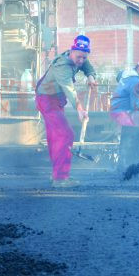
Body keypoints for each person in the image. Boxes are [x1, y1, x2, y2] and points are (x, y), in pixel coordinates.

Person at [35, 35, 97, 187]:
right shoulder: (62, 66)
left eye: (84, 57)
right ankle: (61, 179)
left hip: (54, 98)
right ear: (72, 51)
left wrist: (90, 76)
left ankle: (56, 174)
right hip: (47, 99)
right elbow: (70, 90)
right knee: (65, 134)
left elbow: (86, 65)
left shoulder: (77, 56)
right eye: (79, 57)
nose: (81, 60)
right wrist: (80, 109)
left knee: (55, 137)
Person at [110, 60, 139, 127]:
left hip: (114, 107)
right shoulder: (136, 81)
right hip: (121, 110)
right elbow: (135, 105)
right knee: (129, 131)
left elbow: (118, 77)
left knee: (126, 131)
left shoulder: (125, 74)